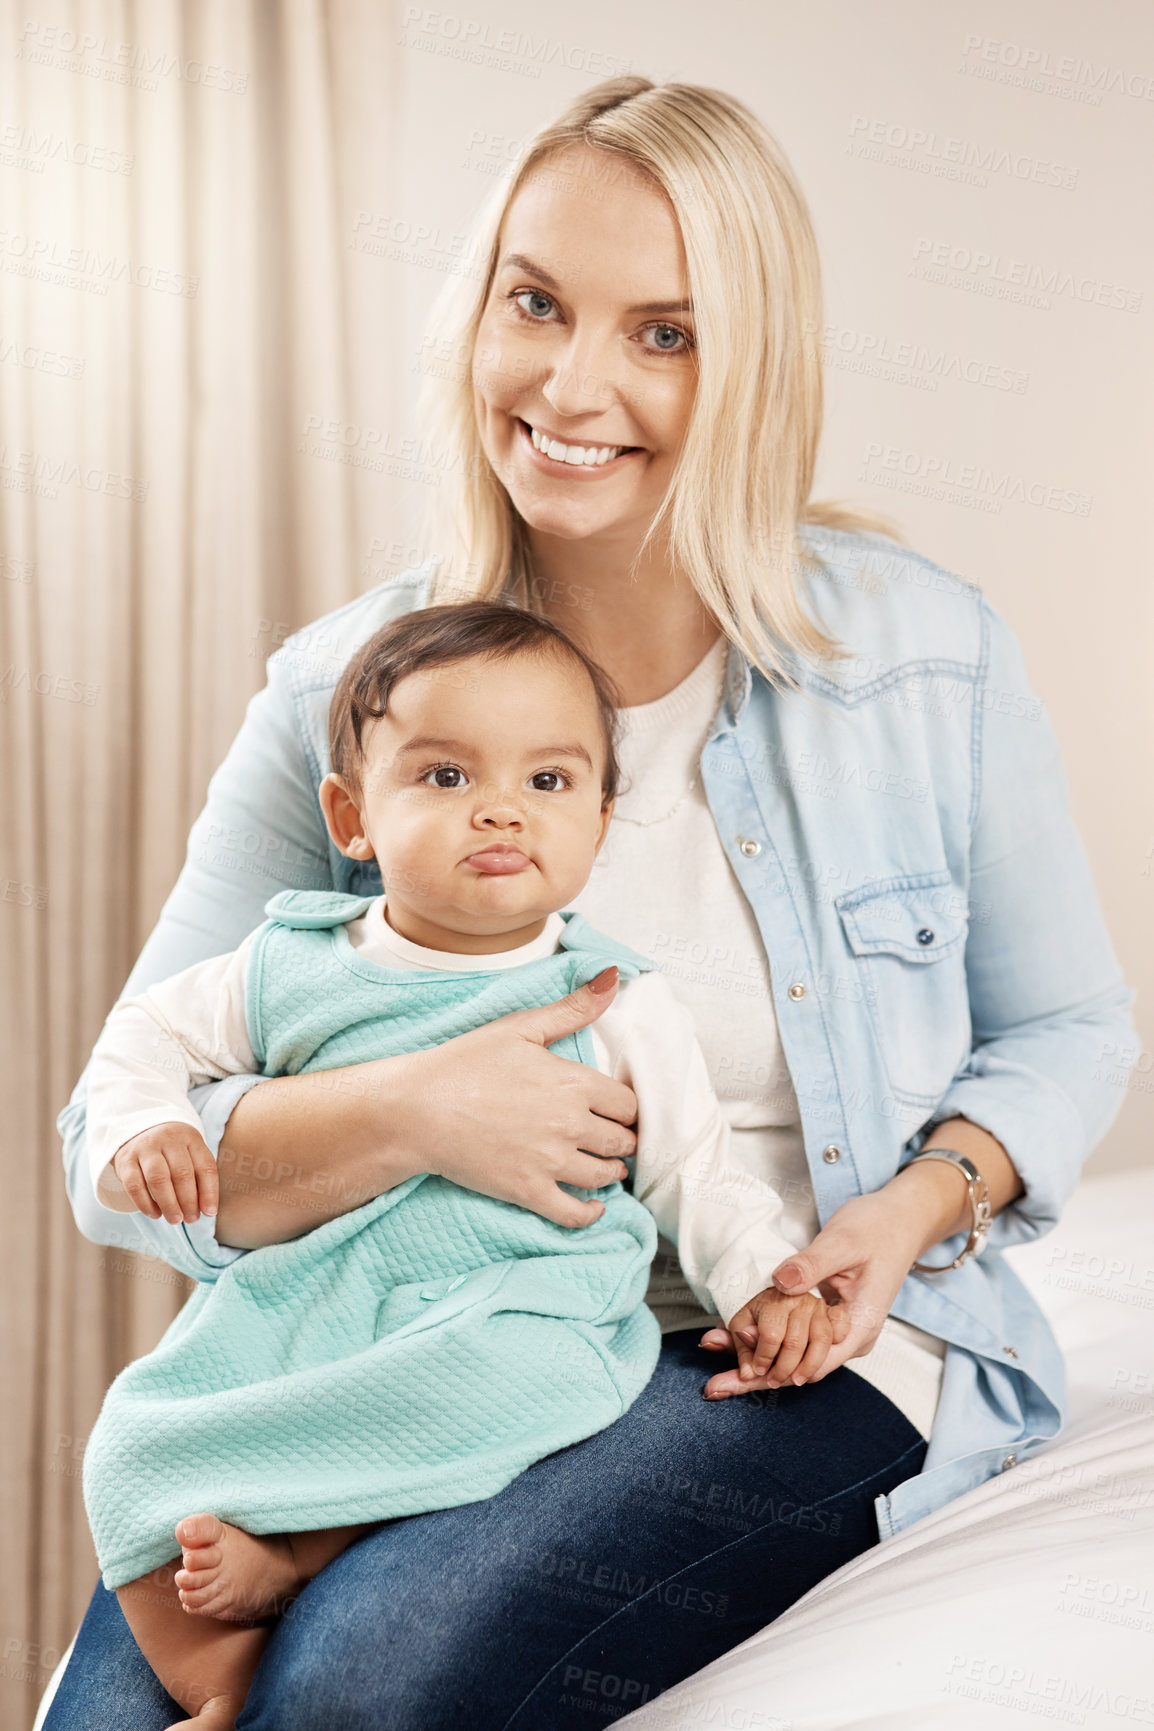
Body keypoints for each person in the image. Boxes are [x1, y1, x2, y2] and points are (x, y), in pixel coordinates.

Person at [48, 75, 1136, 1730]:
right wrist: (408, 1111)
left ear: (745, 368)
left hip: (767, 1348)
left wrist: (901, 1214)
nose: (571, 384)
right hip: (423, 1332)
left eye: (662, 333)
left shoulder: (916, 657)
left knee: (358, 1677)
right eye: (535, 303)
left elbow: (1063, 1025)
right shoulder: (342, 696)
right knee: (121, 1690)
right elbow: (115, 1154)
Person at [80, 601, 847, 1729]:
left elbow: (699, 1178)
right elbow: (144, 1036)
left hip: (512, 1304)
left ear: (597, 818)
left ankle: (303, 1546)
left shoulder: (615, 1000)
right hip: (321, 1298)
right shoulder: (288, 964)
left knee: (501, 1386)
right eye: (442, 778)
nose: (497, 807)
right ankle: (216, 1681)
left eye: (547, 782)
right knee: (132, 1444)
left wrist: (766, 1291)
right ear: (352, 815)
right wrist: (148, 1125)